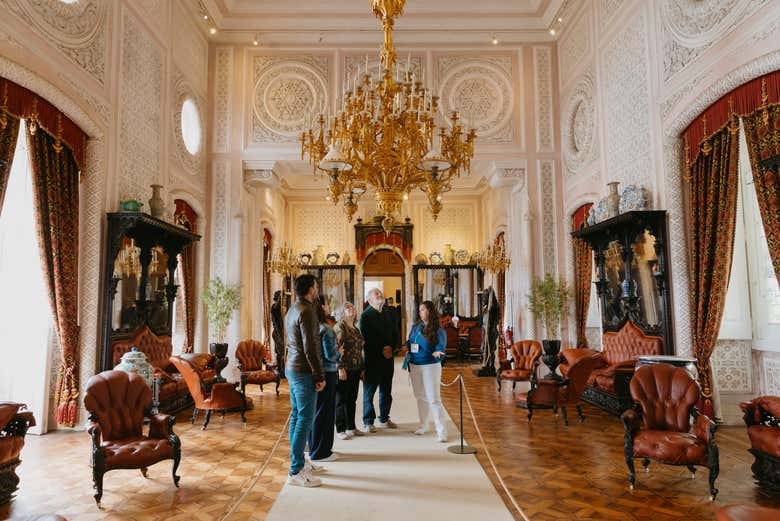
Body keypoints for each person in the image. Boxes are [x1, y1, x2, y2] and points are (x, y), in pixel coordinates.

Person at [285, 274, 326, 488]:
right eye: (316, 286)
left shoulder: (292, 309)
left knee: (297, 417)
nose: (317, 289)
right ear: (310, 289)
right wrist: (319, 375)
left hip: (292, 368)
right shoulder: (307, 310)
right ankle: (296, 470)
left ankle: (299, 461)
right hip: (303, 371)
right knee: (305, 420)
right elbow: (311, 348)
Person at [407, 300, 448, 442]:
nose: (420, 312)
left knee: (434, 399)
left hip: (430, 365)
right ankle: (423, 425)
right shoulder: (415, 327)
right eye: (420, 309)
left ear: (430, 311)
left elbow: (441, 346)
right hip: (414, 365)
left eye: (423, 309)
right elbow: (410, 342)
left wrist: (438, 352)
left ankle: (441, 431)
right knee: (420, 396)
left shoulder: (438, 329)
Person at [360, 288, 400, 431]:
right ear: (369, 300)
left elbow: (396, 331)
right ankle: (368, 421)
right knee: (369, 392)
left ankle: (384, 418)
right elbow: (366, 338)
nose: (379, 295)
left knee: (386, 390)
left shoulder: (390, 313)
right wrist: (382, 349)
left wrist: (393, 347)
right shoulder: (365, 315)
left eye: (380, 293)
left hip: (388, 359)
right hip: (373, 359)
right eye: (376, 294)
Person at [308, 299, 340, 462]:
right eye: (327, 304)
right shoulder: (326, 328)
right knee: (326, 413)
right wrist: (339, 353)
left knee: (316, 411)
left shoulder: (311, 327)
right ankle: (322, 452)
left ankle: (314, 447)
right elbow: (330, 355)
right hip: (328, 371)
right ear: (322, 308)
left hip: (314, 372)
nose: (329, 307)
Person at [333, 302, 365, 440]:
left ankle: (351, 427)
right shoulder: (340, 327)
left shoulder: (356, 329)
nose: (351, 309)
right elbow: (336, 349)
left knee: (352, 399)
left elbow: (359, 350)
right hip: (344, 368)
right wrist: (340, 367)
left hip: (356, 368)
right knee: (341, 399)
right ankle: (340, 429)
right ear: (342, 312)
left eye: (352, 307)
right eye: (347, 308)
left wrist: (362, 368)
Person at [271, 290, 285, 378]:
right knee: (279, 352)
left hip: (278, 332)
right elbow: (277, 323)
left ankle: (281, 370)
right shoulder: (274, 307)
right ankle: (280, 371)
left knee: (279, 352)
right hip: (277, 333)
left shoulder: (280, 307)